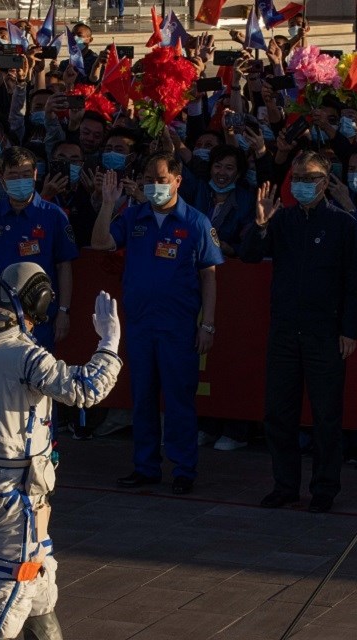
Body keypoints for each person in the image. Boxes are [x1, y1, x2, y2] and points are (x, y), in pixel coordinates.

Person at [0, 262, 123, 640]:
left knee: (38, 573)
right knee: (9, 591)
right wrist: (109, 344)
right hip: (11, 497)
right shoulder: (22, 356)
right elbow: (86, 388)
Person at [90, 153, 223, 495]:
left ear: (178, 180)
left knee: (179, 399)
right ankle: (146, 466)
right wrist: (108, 204)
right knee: (143, 397)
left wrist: (207, 324)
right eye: (149, 179)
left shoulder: (195, 222)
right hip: (140, 324)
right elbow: (101, 242)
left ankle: (183, 468)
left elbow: (209, 275)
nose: (154, 186)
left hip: (178, 326)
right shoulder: (134, 216)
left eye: (161, 180)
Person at [241, 151, 357, 513]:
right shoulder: (282, 220)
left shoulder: (342, 224)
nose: (300, 184)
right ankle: (285, 485)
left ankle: (325, 487)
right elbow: (249, 255)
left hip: (325, 333)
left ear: (324, 182)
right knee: (279, 412)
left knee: (326, 415)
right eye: (296, 177)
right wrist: (261, 224)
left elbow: (354, 284)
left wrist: (349, 330)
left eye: (308, 178)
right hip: (284, 332)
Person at [0, 148, 78, 350]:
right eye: (13, 175)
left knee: (35, 376)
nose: (20, 180)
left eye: (26, 174)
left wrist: (64, 311)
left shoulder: (53, 215)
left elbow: (64, 265)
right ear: (2, 179)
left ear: (35, 175)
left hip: (37, 315)